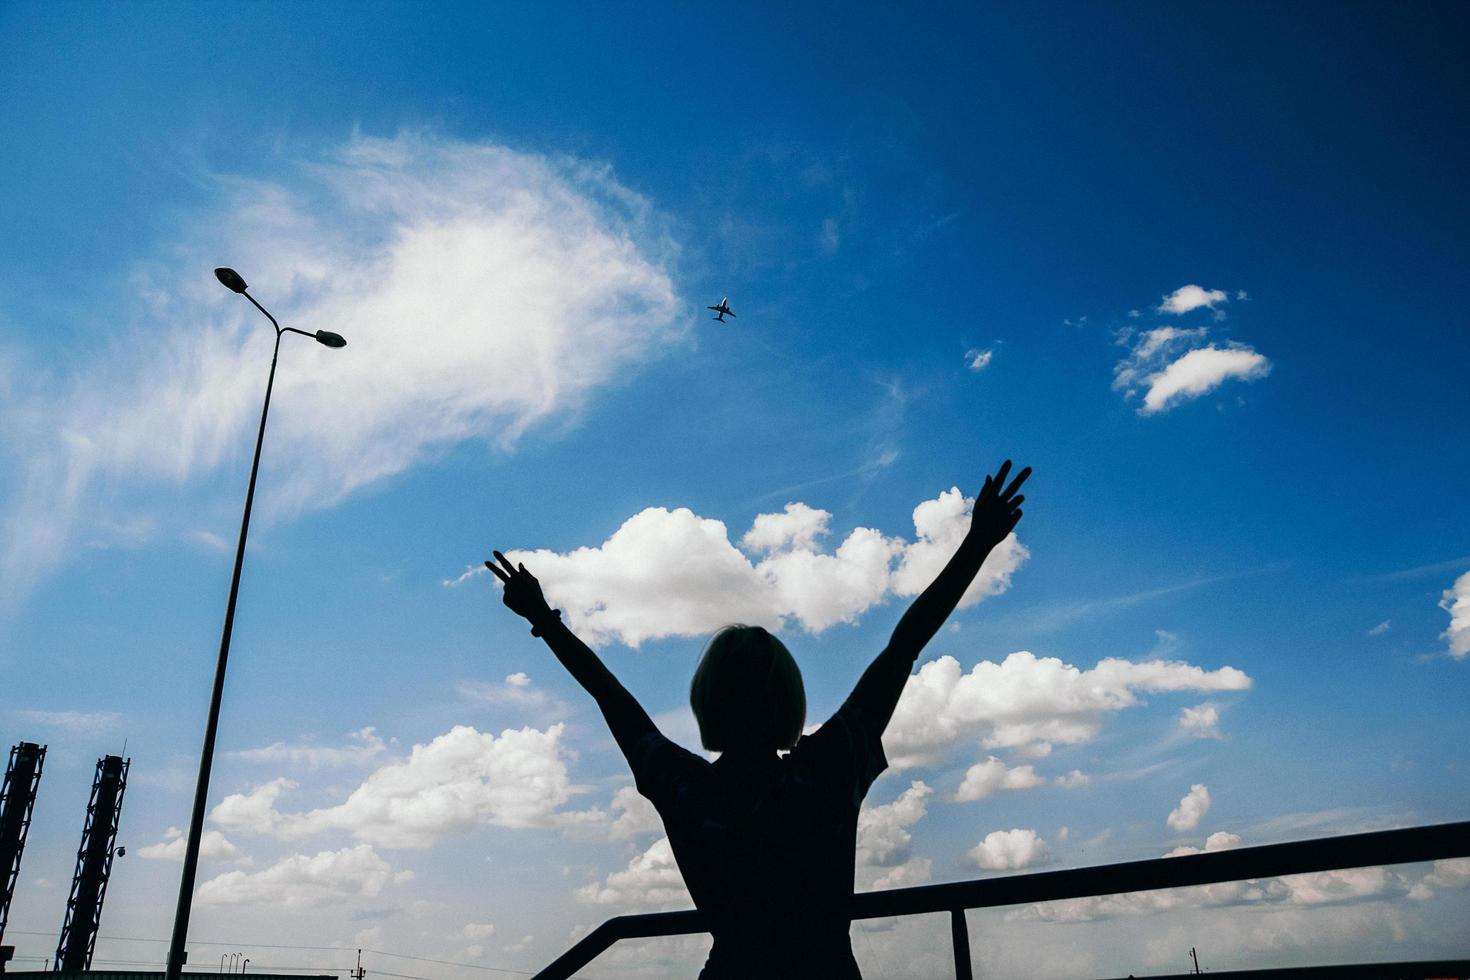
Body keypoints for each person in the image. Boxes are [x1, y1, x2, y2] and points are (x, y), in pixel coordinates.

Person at [486, 460, 1030, 978]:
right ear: (789, 701)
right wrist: (977, 543)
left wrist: (544, 620)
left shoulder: (687, 789)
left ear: (706, 701)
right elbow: (904, 646)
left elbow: (611, 697)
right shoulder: (826, 769)